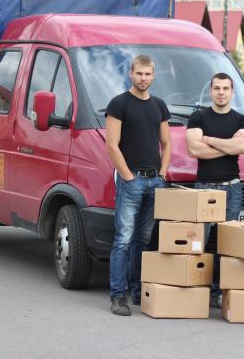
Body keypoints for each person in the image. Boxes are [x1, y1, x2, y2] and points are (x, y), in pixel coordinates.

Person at [105, 54, 171, 316]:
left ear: (154, 75)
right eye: (139, 73)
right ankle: (118, 296)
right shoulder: (119, 104)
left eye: (148, 74)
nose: (144, 78)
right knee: (123, 239)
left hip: (155, 180)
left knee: (143, 239)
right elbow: (112, 145)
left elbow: (167, 144)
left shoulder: (159, 106)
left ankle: (136, 290)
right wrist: (127, 176)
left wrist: (163, 174)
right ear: (131, 74)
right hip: (131, 180)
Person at [186, 72, 244, 308]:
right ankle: (196, 290)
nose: (221, 92)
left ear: (232, 92)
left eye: (226, 88)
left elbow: (243, 146)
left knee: (226, 245)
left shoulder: (243, 120)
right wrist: (228, 146)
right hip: (204, 188)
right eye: (217, 88)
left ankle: (218, 292)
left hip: (231, 189)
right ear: (211, 90)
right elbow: (195, 150)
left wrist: (210, 140)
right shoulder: (198, 117)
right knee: (198, 244)